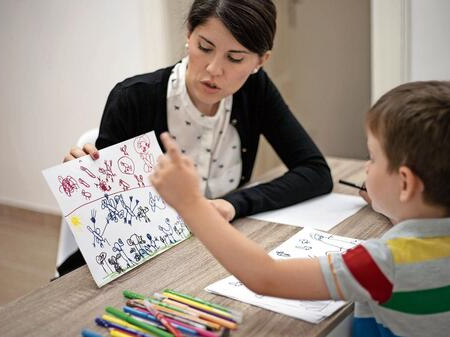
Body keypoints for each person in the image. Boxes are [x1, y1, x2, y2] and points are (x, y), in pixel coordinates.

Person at [151, 80, 450, 337]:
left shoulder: (383, 263)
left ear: (405, 184)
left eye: (373, 158)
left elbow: (266, 277)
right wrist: (392, 204)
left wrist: (190, 204)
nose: (366, 168)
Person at [58, 0, 332, 275]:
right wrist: (87, 181)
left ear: (260, 61)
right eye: (204, 47)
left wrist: (232, 205)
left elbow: (315, 171)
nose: (214, 69)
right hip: (142, 262)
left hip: (210, 254)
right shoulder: (133, 97)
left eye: (235, 58)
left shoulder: (255, 90)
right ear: (189, 34)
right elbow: (108, 225)